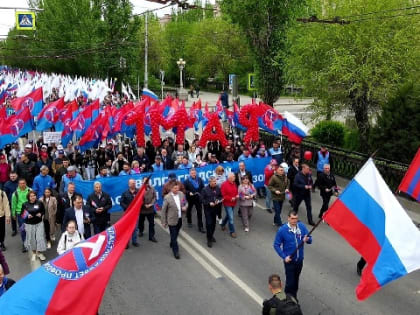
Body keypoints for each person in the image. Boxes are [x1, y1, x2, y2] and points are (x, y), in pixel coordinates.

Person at [273, 211, 312, 299]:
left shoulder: (301, 227)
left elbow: (310, 239)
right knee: (290, 283)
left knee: (296, 281)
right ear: (288, 218)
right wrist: (284, 257)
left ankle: (293, 298)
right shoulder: (282, 230)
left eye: (296, 218)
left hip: (299, 261)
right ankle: (288, 299)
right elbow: (276, 245)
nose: (294, 220)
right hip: (289, 261)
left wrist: (307, 239)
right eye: (292, 218)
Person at [161, 182, 188, 259]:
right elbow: (163, 210)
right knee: (173, 235)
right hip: (171, 220)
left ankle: (172, 242)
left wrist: (185, 207)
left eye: (178, 188)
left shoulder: (181, 194)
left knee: (176, 233)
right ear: (171, 188)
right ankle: (176, 252)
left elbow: (185, 203)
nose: (177, 189)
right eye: (175, 188)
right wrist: (163, 221)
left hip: (180, 218)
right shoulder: (167, 197)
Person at [22, 191, 47, 261]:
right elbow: (22, 214)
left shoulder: (39, 203)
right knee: (32, 239)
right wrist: (27, 215)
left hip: (39, 223)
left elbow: (43, 211)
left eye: (34, 195)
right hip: (29, 224)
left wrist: (41, 214)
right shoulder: (25, 204)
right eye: (31, 196)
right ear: (28, 197)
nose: (33, 197)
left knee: (40, 238)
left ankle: (39, 253)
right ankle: (34, 253)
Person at [201, 176, 222, 248]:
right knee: (209, 224)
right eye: (213, 182)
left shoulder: (218, 188)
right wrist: (209, 203)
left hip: (215, 209)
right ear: (210, 182)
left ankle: (211, 235)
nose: (215, 183)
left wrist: (218, 200)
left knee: (213, 224)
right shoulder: (204, 189)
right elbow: (202, 200)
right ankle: (209, 239)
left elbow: (220, 196)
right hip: (208, 209)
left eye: (215, 181)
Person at [11, 178, 31, 252]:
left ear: (26, 183)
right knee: (23, 229)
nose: (22, 185)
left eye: (23, 183)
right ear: (18, 184)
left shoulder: (30, 191)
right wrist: (13, 214)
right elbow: (13, 204)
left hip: (30, 212)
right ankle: (24, 243)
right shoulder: (15, 193)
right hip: (20, 214)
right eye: (20, 183)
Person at [120, 179, 141, 248]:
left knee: (135, 228)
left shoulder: (138, 192)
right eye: (132, 183)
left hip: (135, 213)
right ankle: (126, 242)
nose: (133, 184)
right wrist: (127, 208)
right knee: (127, 229)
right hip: (128, 214)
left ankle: (134, 241)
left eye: (134, 183)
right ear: (129, 184)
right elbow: (121, 202)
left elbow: (142, 199)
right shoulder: (125, 193)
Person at [183, 168, 205, 233]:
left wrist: (202, 194)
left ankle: (200, 227)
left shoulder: (199, 179)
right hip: (190, 198)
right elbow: (184, 190)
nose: (193, 174)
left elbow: (202, 187)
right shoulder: (186, 181)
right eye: (192, 173)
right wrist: (188, 192)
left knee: (199, 212)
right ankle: (189, 221)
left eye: (194, 173)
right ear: (190, 173)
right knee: (189, 210)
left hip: (198, 198)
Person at [138, 177, 157, 243]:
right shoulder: (139, 189)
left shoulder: (152, 188)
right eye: (145, 181)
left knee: (151, 223)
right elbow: (138, 199)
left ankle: (151, 236)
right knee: (141, 222)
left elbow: (155, 197)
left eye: (147, 181)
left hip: (150, 209)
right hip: (142, 210)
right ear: (142, 181)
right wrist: (144, 205)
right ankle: (141, 231)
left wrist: (151, 204)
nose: (147, 182)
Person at [220, 173, 239, 238]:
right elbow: (223, 195)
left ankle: (223, 224)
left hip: (233, 203)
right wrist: (231, 198)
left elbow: (236, 191)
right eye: (234, 176)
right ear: (230, 178)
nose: (235, 177)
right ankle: (232, 231)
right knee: (231, 218)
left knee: (228, 215)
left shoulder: (234, 183)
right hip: (227, 203)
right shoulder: (224, 185)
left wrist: (237, 195)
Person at [3, 172, 18, 236]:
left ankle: (24, 228)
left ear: (16, 176)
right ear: (9, 176)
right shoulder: (7, 184)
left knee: (22, 217)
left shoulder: (20, 182)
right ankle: (14, 230)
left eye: (14, 176)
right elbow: (5, 194)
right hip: (11, 203)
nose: (13, 177)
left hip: (20, 202)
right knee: (13, 217)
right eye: (11, 176)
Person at [0, 187, 11, 251]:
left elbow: (6, 204)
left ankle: (2, 242)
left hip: (1, 215)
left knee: (1, 230)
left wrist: (7, 216)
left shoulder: (2, 193)